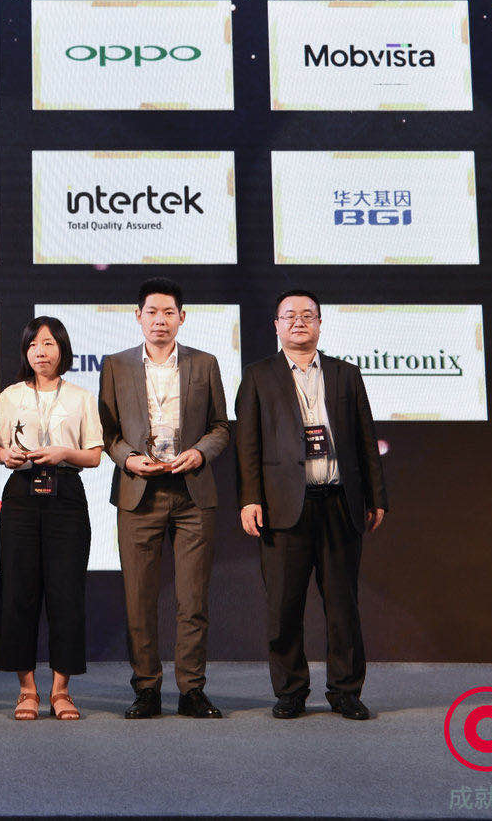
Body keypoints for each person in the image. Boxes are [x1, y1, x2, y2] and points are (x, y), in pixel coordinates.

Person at [236, 290, 389, 720]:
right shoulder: (258, 376)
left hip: (340, 502)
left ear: (319, 324)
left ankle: (346, 690)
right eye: (290, 316)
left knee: (343, 605)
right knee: (284, 607)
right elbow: (247, 445)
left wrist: (376, 496)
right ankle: (290, 691)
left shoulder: (346, 374)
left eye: (308, 315)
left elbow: (365, 438)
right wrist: (249, 499)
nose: (299, 322)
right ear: (276, 325)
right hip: (283, 508)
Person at [97, 276, 230, 720]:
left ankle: (192, 690)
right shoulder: (115, 365)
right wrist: (129, 459)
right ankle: (147, 689)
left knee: (193, 600)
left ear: (182, 318)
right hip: (139, 493)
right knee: (139, 599)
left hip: (192, 493)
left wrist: (199, 453)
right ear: (138, 317)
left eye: (168, 312)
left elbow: (221, 427)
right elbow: (107, 433)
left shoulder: (205, 363)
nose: (160, 320)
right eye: (152, 312)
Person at [0, 317, 103, 721]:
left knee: (66, 593)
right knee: (18, 591)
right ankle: (26, 689)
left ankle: (60, 690)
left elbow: (94, 455)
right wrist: (6, 456)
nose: (41, 351)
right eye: (33, 344)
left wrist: (63, 453)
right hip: (21, 494)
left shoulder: (81, 396)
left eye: (49, 343)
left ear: (62, 349)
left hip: (66, 494)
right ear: (26, 351)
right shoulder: (11, 395)